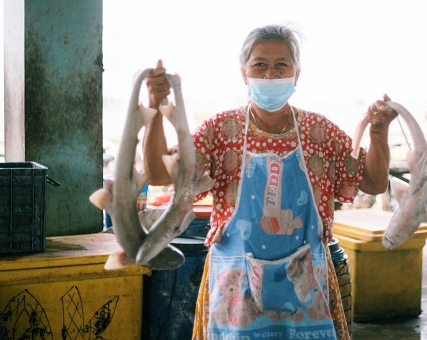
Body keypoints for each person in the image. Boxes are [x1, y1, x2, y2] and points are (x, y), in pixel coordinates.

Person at [143, 24, 397, 340]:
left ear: (296, 74)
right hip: (236, 288)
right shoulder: (220, 130)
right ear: (244, 73)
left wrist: (378, 133)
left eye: (281, 65)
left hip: (306, 287)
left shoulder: (320, 132)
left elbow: (372, 183)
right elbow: (158, 175)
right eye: (260, 64)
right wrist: (154, 109)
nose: (270, 75)